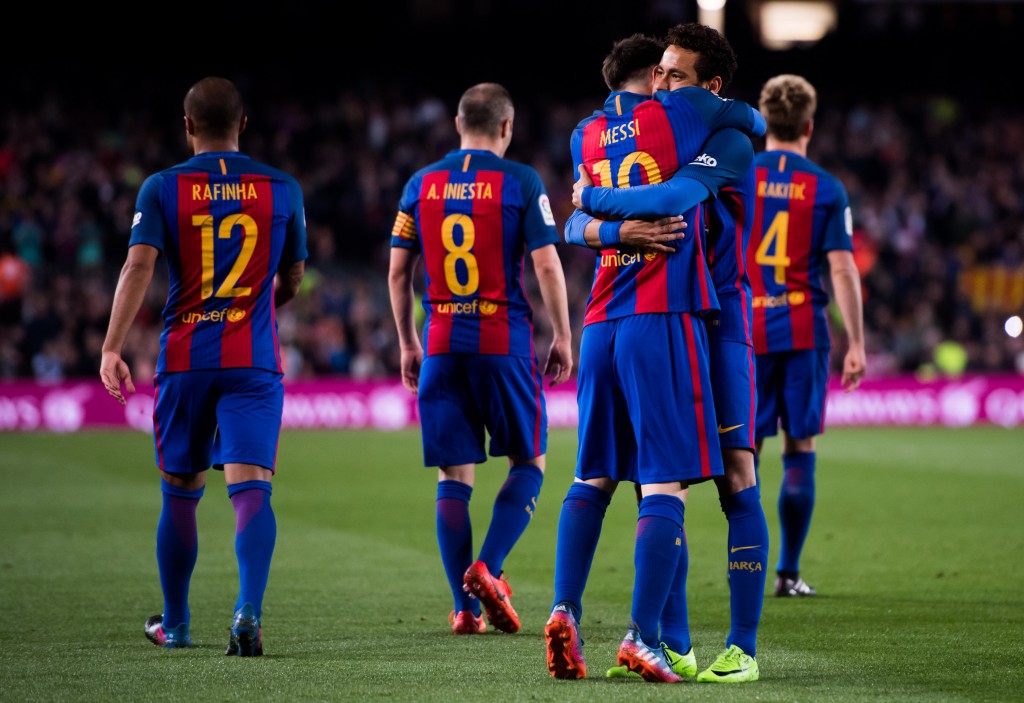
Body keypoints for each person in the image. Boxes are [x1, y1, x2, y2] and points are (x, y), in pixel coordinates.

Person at [544, 31, 765, 683]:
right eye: (660, 73)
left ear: (710, 87)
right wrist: (607, 226)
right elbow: (573, 226)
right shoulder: (668, 127)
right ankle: (670, 642)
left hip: (718, 326)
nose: (665, 86)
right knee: (655, 476)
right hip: (665, 317)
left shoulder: (724, 139)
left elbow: (670, 200)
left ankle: (743, 647)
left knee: (735, 475)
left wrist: (592, 203)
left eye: (677, 76)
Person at [99, 76, 308, 657]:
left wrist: (112, 347)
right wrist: (256, 309)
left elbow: (137, 268)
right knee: (252, 491)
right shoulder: (282, 188)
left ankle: (177, 623)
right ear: (244, 124)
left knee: (180, 490)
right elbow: (290, 279)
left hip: (186, 359)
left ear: (186, 125)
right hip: (253, 360)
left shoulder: (161, 188)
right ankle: (248, 610)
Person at [387, 82, 573, 636]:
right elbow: (545, 265)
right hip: (502, 340)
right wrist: (562, 333)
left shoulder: (420, 185)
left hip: (442, 343)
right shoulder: (521, 181)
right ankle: (488, 570)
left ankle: (465, 611)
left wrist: (407, 341)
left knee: (453, 475)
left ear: (456, 123)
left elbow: (399, 272)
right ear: (507, 127)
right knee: (529, 462)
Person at [748, 74, 866, 599]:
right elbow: (841, 270)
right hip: (800, 329)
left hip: (743, 334)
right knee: (800, 447)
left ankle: (743, 565)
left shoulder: (735, 175)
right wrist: (857, 343)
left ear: (764, 120)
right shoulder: (825, 186)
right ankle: (788, 572)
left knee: (741, 454)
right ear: (809, 126)